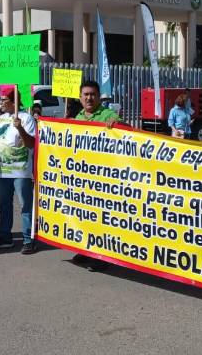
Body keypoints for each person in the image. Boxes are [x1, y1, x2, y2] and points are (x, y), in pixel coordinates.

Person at [0, 90, 38, 254]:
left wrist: (20, 128)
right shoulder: (0, 119)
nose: (1, 102)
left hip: (21, 172)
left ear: (14, 102)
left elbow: (31, 144)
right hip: (3, 171)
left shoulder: (26, 118)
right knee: (4, 206)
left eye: (4, 99)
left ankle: (29, 239)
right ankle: (5, 237)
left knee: (25, 206)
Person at [72, 80, 120, 270]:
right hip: (83, 177)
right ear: (80, 98)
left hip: (103, 178)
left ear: (99, 97)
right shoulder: (77, 118)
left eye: (92, 94)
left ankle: (102, 256)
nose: (89, 98)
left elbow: (126, 133)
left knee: (101, 218)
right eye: (85, 95)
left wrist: (116, 124)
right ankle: (85, 250)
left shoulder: (108, 115)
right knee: (85, 215)